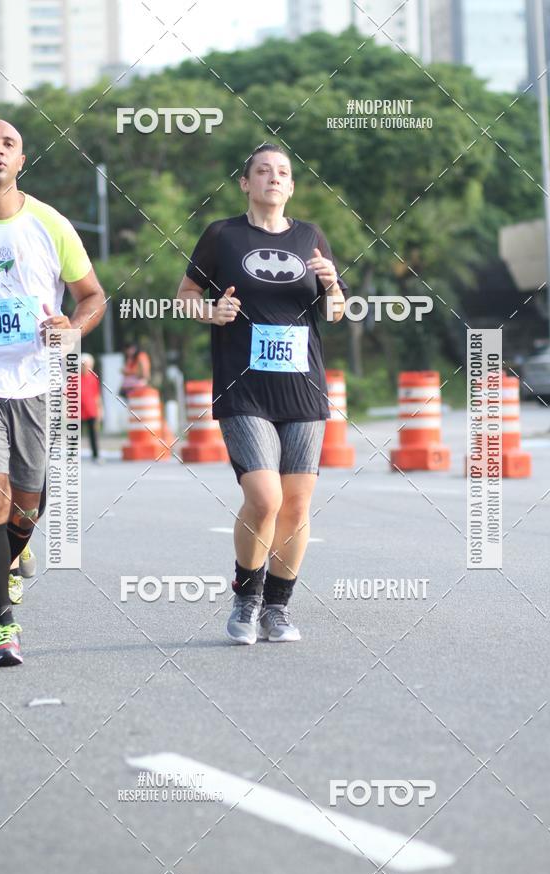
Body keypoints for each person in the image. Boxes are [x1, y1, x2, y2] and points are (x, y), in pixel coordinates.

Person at [177, 143, 347, 645]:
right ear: (245, 183)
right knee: (265, 497)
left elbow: (334, 313)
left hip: (303, 390)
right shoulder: (222, 236)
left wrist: (333, 286)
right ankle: (246, 597)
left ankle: (277, 607)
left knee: (296, 506)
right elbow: (185, 297)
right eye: (262, 171)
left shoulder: (311, 238)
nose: (273, 178)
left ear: (291, 187)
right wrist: (210, 313)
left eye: (283, 173)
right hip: (243, 387)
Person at [0, 119, 105, 666]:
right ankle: (2, 623)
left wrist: (74, 328)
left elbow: (92, 296)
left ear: (21, 160)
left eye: (8, 144)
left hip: (35, 384)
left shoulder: (50, 224)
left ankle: (4, 561)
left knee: (29, 503)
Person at [80, 353, 103, 462]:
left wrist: (100, 410)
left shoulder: (93, 378)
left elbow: (97, 395)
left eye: (88, 365)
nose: (86, 367)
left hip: (91, 410)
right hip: (78, 411)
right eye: (84, 365)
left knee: (93, 434)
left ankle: (96, 455)